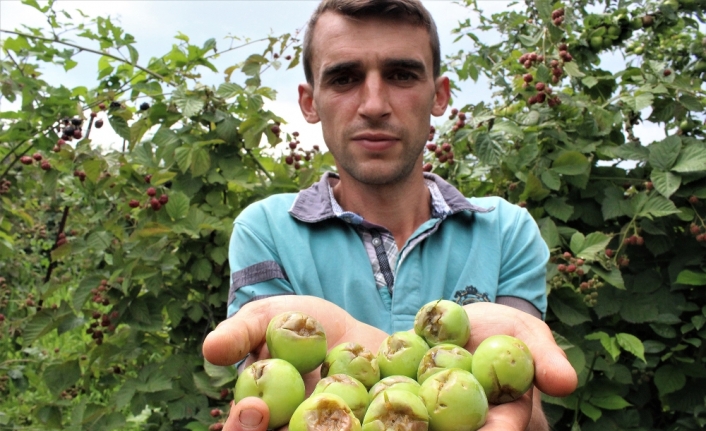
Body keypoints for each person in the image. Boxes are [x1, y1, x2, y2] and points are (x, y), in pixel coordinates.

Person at [202, 1, 578, 430]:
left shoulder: (507, 230)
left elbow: (520, 405)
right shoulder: (265, 229)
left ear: (440, 95)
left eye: (401, 75)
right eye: (344, 78)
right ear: (310, 102)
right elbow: (266, 392)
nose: (375, 104)